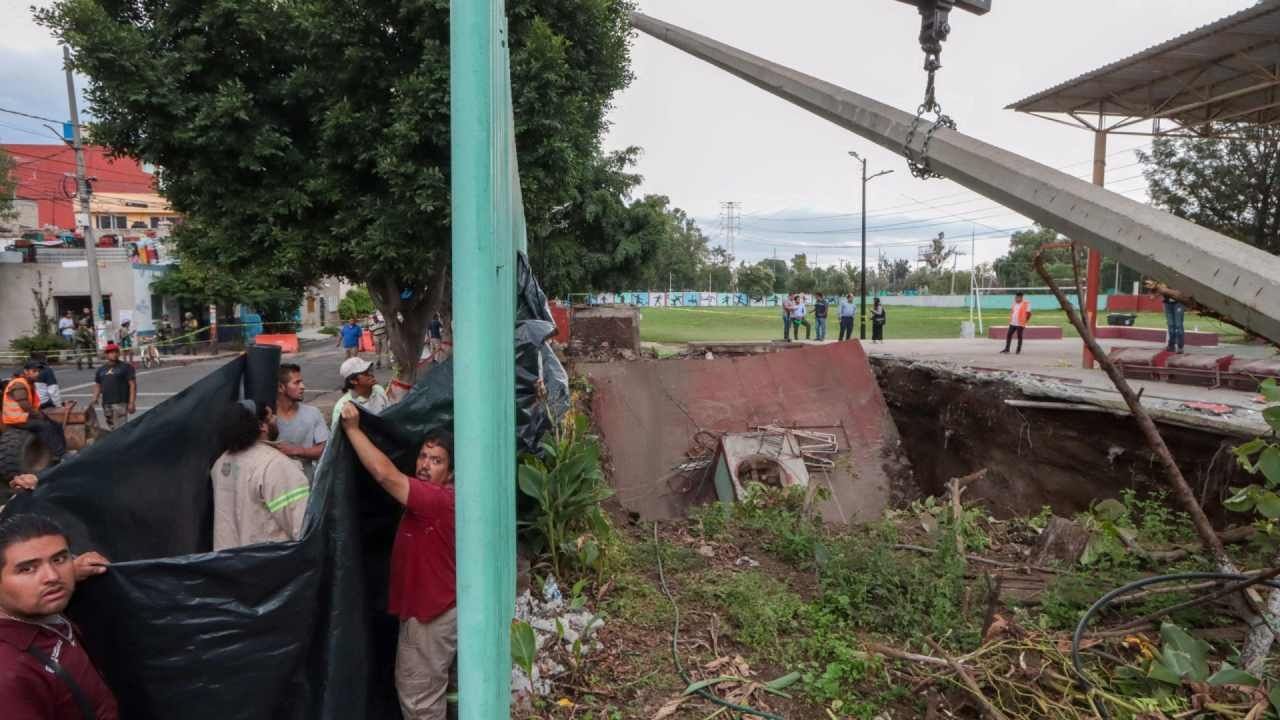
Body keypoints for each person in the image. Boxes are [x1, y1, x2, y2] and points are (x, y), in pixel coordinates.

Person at [339, 403, 455, 720]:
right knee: (428, 693)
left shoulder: (438, 501)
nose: (425, 466)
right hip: (427, 611)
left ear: (451, 473)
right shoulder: (434, 499)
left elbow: (384, 474)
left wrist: (352, 430)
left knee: (420, 701)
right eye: (423, 457)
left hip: (431, 616)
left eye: (437, 461)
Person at [0, 514, 115, 719]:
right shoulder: (9, 672)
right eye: (27, 569)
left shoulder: (40, 606)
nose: (53, 577)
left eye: (59, 559)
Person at [210, 400, 310, 550]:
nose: (276, 419)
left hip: (225, 565)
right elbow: (303, 527)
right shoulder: (275, 465)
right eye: (271, 416)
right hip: (265, 567)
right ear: (261, 426)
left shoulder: (221, 463)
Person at [274, 363, 329, 479]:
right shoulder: (268, 417)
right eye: (296, 383)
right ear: (280, 387)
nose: (303, 386)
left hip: (306, 485)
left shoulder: (313, 413)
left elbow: (325, 450)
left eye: (301, 382)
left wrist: (297, 450)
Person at [2, 362, 67, 462]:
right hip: (17, 419)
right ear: (26, 371)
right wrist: (38, 415)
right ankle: (60, 454)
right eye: (34, 371)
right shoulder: (19, 384)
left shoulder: (28, 383)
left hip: (24, 416)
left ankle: (62, 451)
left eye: (38, 371)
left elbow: (31, 403)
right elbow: (24, 404)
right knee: (45, 426)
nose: (37, 374)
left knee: (56, 424)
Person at [88, 343, 136, 431]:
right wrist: (95, 398)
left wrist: (131, 402)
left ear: (119, 353)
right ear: (106, 354)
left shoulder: (126, 367)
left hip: (120, 403)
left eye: (115, 352)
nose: (113, 354)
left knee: (121, 429)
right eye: (110, 352)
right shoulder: (101, 370)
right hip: (106, 403)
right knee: (112, 428)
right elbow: (98, 385)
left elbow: (132, 385)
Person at [331, 358, 390, 426]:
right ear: (353, 381)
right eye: (365, 373)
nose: (371, 374)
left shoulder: (379, 389)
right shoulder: (342, 407)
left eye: (370, 370)